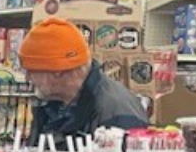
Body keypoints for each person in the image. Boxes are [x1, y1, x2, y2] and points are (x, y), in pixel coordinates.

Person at [19, 15, 148, 140]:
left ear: (57, 71)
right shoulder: (52, 105)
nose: (27, 78)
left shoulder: (117, 111)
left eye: (32, 71)